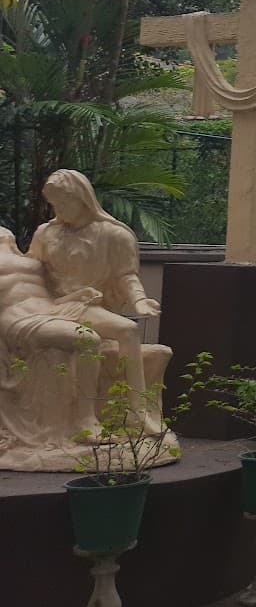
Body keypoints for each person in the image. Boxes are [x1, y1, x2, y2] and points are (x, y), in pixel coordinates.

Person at [29, 170, 167, 432]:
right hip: (51, 306)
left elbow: (126, 275)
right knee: (99, 335)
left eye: (63, 202)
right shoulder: (45, 233)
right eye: (54, 203)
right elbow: (31, 271)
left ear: (82, 198)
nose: (58, 209)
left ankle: (137, 411)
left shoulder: (114, 235)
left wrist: (139, 300)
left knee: (127, 330)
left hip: (86, 307)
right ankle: (87, 418)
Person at [0, 227, 105, 470]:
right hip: (18, 319)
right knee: (88, 339)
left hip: (51, 310)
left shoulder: (27, 260)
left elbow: (47, 294)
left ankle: (109, 415)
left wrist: (76, 296)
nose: (5, 236)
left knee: (121, 330)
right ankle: (85, 418)